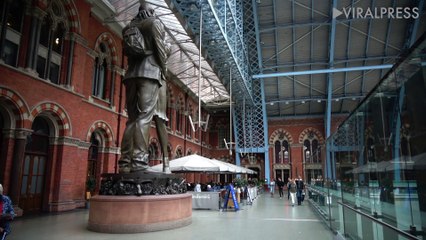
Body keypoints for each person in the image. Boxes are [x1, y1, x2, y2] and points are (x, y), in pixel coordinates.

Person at [118, 1, 171, 173]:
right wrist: (163, 70)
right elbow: (160, 51)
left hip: (131, 75)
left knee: (131, 120)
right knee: (144, 117)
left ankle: (125, 163)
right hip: (149, 74)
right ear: (150, 12)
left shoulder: (127, 28)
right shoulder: (153, 23)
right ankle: (139, 162)